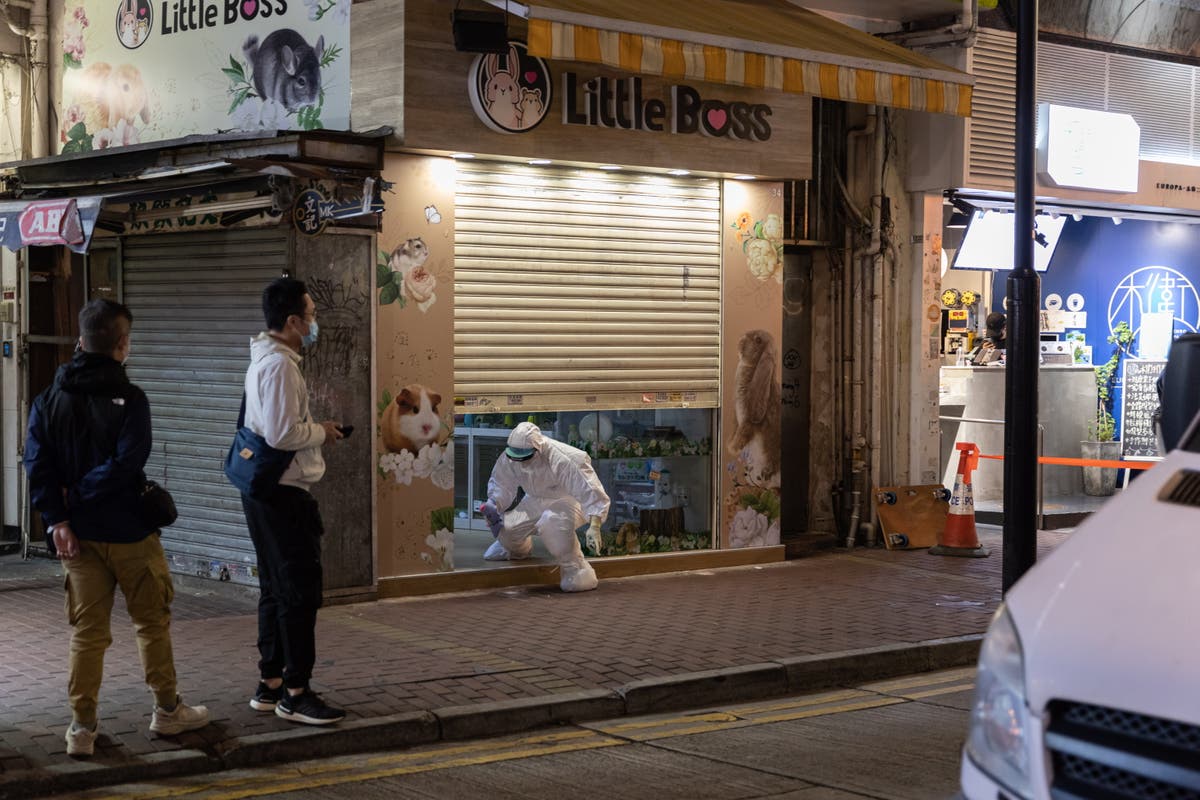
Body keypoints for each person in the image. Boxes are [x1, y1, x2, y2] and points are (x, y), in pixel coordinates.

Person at [23, 299, 209, 757]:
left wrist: (59, 518)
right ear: (122, 345)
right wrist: (81, 498)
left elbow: (37, 463)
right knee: (151, 624)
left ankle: (82, 729)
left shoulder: (48, 399)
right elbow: (128, 464)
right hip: (130, 534)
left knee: (87, 633)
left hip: (77, 540)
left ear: (81, 342)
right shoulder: (134, 400)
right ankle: (167, 712)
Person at [238, 277, 346, 725]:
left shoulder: (263, 358)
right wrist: (322, 431)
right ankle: (297, 693)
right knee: (300, 593)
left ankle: (271, 684)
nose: (315, 322)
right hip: (285, 494)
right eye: (312, 315)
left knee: (275, 589)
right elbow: (282, 434)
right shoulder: (280, 366)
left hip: (263, 492)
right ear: (292, 321)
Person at [481, 422, 609, 592]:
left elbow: (590, 490)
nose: (520, 461)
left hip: (568, 500)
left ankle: (576, 567)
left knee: (552, 523)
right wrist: (493, 504)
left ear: (537, 449)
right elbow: (502, 482)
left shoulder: (564, 458)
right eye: (515, 455)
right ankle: (517, 550)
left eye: (525, 456)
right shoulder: (511, 456)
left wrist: (595, 524)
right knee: (508, 528)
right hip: (535, 499)